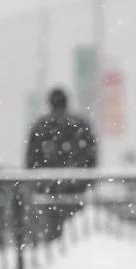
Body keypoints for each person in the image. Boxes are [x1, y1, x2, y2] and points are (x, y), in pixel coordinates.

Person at [23, 88, 98, 243]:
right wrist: (86, 180)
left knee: (52, 232)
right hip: (76, 188)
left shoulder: (41, 126)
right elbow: (91, 156)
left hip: (49, 189)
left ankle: (56, 251)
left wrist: (38, 182)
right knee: (78, 233)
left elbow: (31, 160)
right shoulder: (80, 124)